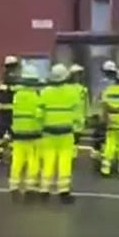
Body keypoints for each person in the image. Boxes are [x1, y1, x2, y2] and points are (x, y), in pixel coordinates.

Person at [38, 64, 78, 204]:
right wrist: (77, 127)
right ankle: (64, 192)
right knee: (64, 162)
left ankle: (44, 191)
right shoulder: (72, 92)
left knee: (48, 161)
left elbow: (39, 114)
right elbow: (77, 114)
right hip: (66, 133)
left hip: (48, 132)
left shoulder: (45, 92)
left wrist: (41, 125)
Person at [8, 65, 43, 203]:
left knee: (17, 161)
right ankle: (30, 188)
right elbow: (39, 116)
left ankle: (14, 187)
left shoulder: (17, 96)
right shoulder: (36, 97)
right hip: (33, 134)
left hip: (18, 133)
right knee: (33, 161)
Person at [0, 55, 20, 165]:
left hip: (1, 110)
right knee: (13, 134)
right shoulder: (15, 79)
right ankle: (13, 156)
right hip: (12, 111)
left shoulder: (2, 79)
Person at [89, 60, 118, 158]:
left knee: (100, 135)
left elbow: (96, 98)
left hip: (103, 113)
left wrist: (93, 113)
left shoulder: (101, 84)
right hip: (117, 114)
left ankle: (98, 153)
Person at [68, 63, 89, 143]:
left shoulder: (83, 90)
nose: (78, 77)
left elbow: (86, 106)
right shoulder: (67, 89)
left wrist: (87, 118)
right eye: (77, 74)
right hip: (69, 123)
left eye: (79, 74)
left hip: (79, 124)